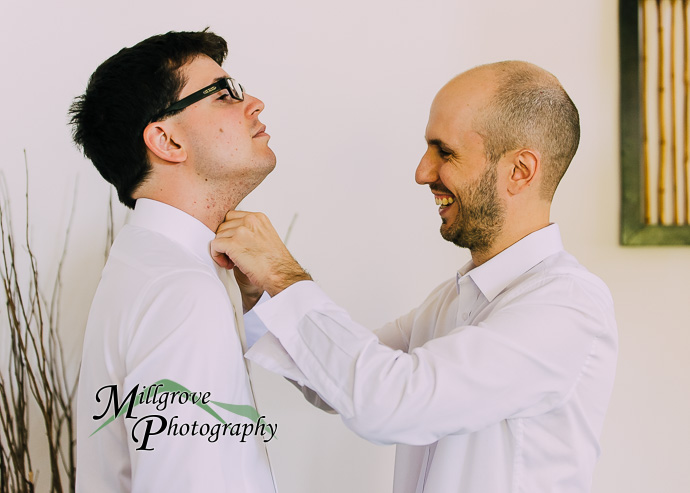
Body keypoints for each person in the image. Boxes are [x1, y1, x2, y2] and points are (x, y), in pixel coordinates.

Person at [211, 61, 618, 492]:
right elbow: (339, 383)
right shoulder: (450, 301)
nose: (422, 172)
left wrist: (282, 274)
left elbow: (391, 404)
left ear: (520, 170)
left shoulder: (567, 306)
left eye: (444, 152)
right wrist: (260, 299)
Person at [69, 29, 277, 492]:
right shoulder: (183, 291)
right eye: (223, 94)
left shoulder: (147, 266)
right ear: (166, 140)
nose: (255, 103)